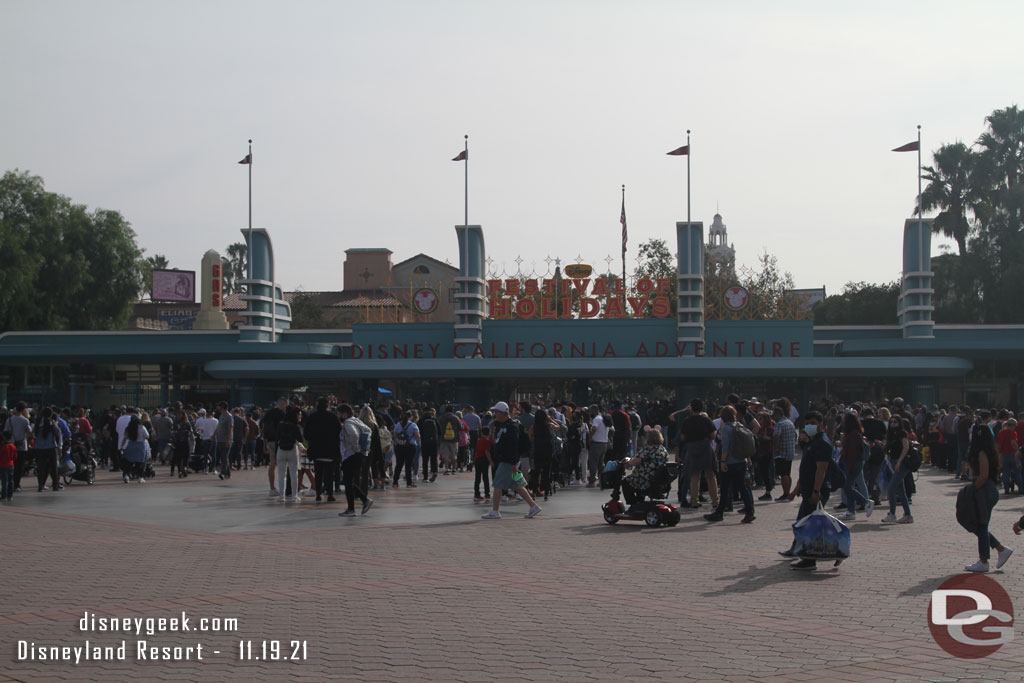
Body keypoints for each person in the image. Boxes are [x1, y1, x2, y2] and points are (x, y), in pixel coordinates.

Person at [785, 411, 833, 570]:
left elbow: (821, 469)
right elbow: (806, 469)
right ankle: (801, 551)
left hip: (816, 491)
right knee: (803, 523)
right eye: (808, 423)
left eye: (813, 422)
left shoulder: (822, 443)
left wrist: (816, 491)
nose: (810, 425)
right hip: (808, 489)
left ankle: (809, 560)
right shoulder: (812, 442)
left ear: (820, 423)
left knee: (808, 525)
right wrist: (796, 489)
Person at [964, 424, 1013, 572]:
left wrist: (972, 489)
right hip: (987, 489)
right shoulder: (989, 450)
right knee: (980, 525)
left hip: (985, 490)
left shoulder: (982, 452)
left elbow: (984, 475)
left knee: (981, 525)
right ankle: (1000, 549)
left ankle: (984, 560)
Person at [481, 402, 541, 520]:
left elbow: (513, 447)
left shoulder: (511, 427)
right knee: (517, 485)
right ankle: (533, 506)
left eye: (496, 412)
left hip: (508, 461)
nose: (495, 414)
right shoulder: (505, 425)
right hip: (509, 461)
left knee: (498, 484)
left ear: (503, 413)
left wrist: (513, 463)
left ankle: (495, 511)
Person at [704, 406, 755, 524]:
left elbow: (725, 446)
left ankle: (719, 512)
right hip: (741, 461)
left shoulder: (726, 428)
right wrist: (748, 458)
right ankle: (750, 511)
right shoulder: (739, 425)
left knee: (725, 487)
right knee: (742, 488)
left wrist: (722, 461)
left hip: (729, 462)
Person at [679, 399, 719, 510]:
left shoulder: (687, 421)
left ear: (691, 408)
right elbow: (713, 435)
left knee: (694, 475)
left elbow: (682, 437)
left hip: (692, 448)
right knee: (710, 475)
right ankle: (715, 501)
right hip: (706, 447)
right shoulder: (706, 420)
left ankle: (694, 501)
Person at [338, 403, 373, 517]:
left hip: (351, 455)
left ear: (344, 413)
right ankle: (364, 500)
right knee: (349, 481)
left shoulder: (348, 423)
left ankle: (352, 508)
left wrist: (355, 449)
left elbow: (353, 435)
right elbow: (368, 430)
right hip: (360, 454)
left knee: (348, 482)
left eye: (339, 413)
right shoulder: (357, 420)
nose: (339, 415)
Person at [304, 397, 341, 503]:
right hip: (330, 449)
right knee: (329, 474)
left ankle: (318, 494)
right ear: (327, 406)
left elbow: (306, 433)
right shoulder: (333, 417)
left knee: (318, 473)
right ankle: (330, 494)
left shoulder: (312, 417)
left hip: (316, 449)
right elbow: (339, 431)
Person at [839, 412, 874, 521]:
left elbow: (853, 452)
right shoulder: (853, 433)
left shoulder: (853, 434)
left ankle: (866, 502)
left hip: (853, 463)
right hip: (852, 463)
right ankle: (850, 511)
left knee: (848, 487)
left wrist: (850, 465)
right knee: (849, 487)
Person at [880, 415, 913, 525]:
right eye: (891, 422)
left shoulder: (902, 433)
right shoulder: (891, 435)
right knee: (901, 491)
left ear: (899, 423)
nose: (893, 424)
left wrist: (899, 461)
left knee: (891, 488)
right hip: (894, 462)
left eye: (895, 422)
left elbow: (906, 447)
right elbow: (889, 450)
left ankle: (892, 514)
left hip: (902, 463)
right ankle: (908, 515)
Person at [621, 429, 669, 505]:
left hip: (645, 478)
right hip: (658, 478)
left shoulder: (648, 449)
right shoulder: (663, 449)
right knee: (636, 480)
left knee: (625, 482)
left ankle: (633, 503)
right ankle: (640, 502)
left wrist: (627, 463)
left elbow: (636, 461)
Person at [275, 407, 303, 503]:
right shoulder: (295, 426)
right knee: (293, 473)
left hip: (281, 450)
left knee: (281, 474)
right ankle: (294, 495)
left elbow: (277, 437)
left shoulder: (280, 425)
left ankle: (281, 496)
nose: (300, 416)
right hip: (292, 450)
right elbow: (300, 439)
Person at [3, 402, 32, 492]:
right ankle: (17, 484)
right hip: (22, 445)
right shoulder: (25, 420)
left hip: (12, 444)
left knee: (12, 464)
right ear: (23, 410)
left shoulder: (10, 420)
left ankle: (10, 482)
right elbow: (29, 431)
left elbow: (6, 431)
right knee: (20, 466)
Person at [32, 407, 63, 492]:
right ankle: (55, 485)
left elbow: (33, 435)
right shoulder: (51, 422)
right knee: (54, 467)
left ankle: (40, 486)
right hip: (50, 447)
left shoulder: (37, 423)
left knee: (40, 467)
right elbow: (58, 434)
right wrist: (60, 447)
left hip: (39, 447)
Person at [261, 398, 287, 496]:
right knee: (282, 464)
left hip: (269, 440)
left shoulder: (268, 413)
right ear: (282, 404)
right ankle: (283, 488)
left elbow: (263, 428)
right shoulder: (281, 414)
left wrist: (264, 443)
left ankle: (272, 488)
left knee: (272, 463)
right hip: (279, 441)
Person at [772, 405, 797, 502]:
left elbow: (776, 436)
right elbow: (795, 436)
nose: (773, 417)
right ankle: (788, 492)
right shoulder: (790, 422)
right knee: (787, 473)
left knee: (783, 474)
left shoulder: (779, 424)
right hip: (790, 451)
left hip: (781, 452)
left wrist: (776, 448)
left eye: (774, 415)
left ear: (778, 414)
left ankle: (785, 493)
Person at [392, 411, 420, 488]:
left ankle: (395, 482)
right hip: (410, 446)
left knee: (399, 464)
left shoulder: (398, 424)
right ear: (411, 417)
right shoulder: (413, 425)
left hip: (399, 446)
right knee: (408, 465)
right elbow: (417, 436)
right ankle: (409, 483)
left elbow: (394, 435)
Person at [119, 414, 150, 483]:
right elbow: (147, 436)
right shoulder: (142, 427)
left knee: (129, 462)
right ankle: (140, 477)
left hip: (131, 445)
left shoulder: (128, 428)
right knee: (141, 462)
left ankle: (126, 476)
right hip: (141, 446)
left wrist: (121, 446)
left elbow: (125, 438)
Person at [995, 418, 1021, 495]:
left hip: (1004, 454)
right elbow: (1013, 443)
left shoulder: (1000, 432)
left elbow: (998, 445)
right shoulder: (1012, 432)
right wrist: (1018, 450)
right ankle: (1021, 489)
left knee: (1006, 473)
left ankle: (1006, 490)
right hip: (1013, 454)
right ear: (1013, 425)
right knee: (1017, 472)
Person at [473, 425, 493, 501]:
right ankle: (487, 493)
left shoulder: (479, 440)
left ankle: (476, 494)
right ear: (489, 433)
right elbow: (487, 452)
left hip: (477, 459)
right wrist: (491, 461)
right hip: (484, 460)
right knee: (485, 477)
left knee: (477, 478)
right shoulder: (487, 441)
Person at [1, 431, 16, 502]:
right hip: (11, 464)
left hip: (3, 465)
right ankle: (10, 494)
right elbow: (15, 456)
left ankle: (3, 495)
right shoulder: (13, 446)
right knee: (11, 480)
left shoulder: (3, 447)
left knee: (4, 481)